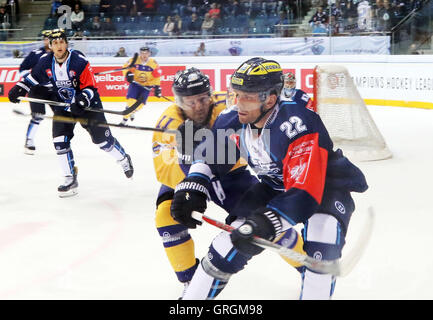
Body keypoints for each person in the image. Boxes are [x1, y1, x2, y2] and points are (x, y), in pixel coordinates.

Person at [170, 57, 368, 299]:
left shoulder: (297, 124)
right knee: (225, 247)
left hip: (324, 187)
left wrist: (268, 222)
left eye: (247, 96)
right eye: (237, 94)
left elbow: (305, 191)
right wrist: (193, 184)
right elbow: (212, 155)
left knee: (322, 236)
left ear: (270, 99)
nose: (238, 103)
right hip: (276, 185)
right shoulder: (234, 117)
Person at [152, 67, 306, 296]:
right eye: (189, 101)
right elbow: (163, 169)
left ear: (210, 95)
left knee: (266, 220)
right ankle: (191, 281)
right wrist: (191, 167)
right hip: (184, 179)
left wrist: (213, 147)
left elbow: (257, 131)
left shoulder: (228, 109)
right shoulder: (168, 123)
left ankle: (306, 265)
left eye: (202, 99)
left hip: (230, 177)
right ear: (177, 100)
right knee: (165, 217)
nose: (197, 106)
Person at [8, 29, 134, 198]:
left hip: (88, 105)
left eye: (62, 42)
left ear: (66, 43)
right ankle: (69, 177)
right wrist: (18, 89)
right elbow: (32, 78)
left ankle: (123, 159)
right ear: (51, 46)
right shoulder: (45, 61)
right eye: (55, 43)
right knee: (60, 141)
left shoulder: (79, 61)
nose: (59, 45)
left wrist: (81, 100)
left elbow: (91, 88)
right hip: (63, 105)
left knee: (102, 141)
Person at [18, 30, 52, 155]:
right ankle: (29, 140)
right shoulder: (36, 54)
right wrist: (34, 78)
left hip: (54, 90)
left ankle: (63, 140)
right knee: (38, 115)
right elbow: (22, 70)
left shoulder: (62, 54)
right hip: (37, 90)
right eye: (46, 38)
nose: (48, 41)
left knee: (63, 114)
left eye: (50, 38)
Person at [120, 46, 162, 125]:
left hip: (146, 87)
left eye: (146, 53)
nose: (144, 55)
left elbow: (157, 76)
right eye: (142, 53)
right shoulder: (134, 60)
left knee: (140, 105)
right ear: (140, 53)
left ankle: (131, 112)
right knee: (130, 102)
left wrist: (157, 87)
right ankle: (124, 121)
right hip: (135, 84)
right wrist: (128, 74)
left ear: (149, 54)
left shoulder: (154, 63)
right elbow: (125, 67)